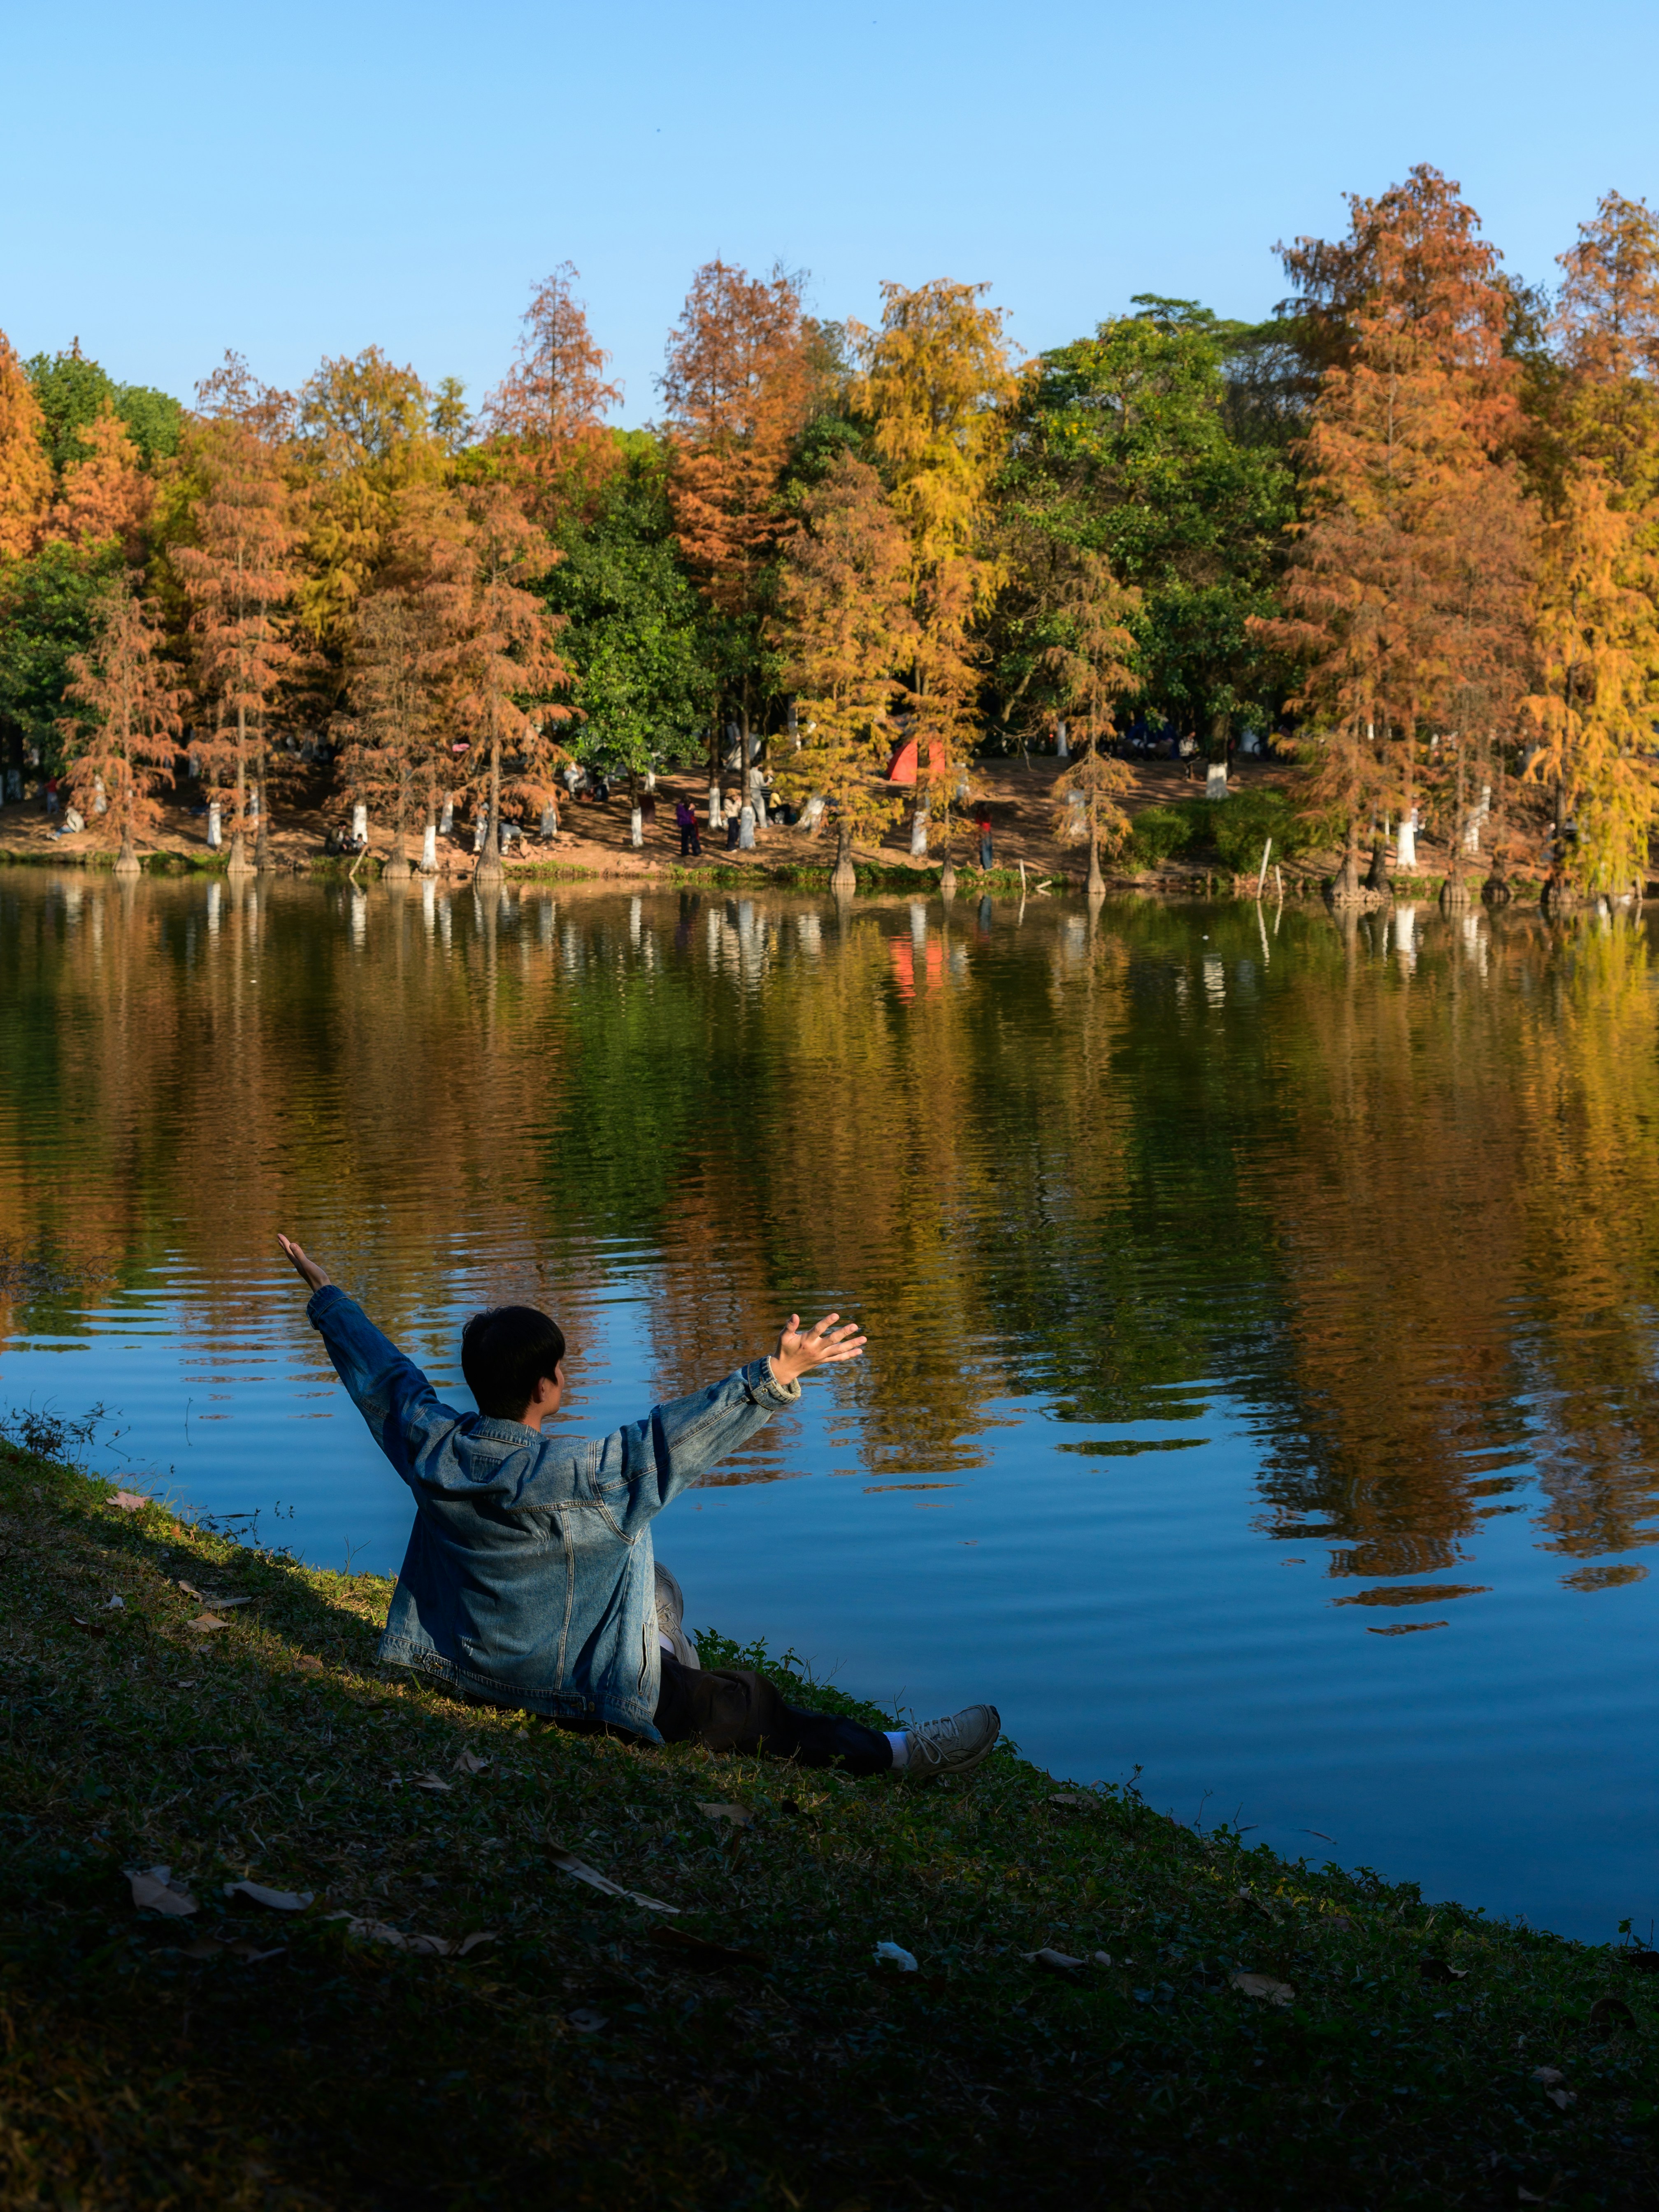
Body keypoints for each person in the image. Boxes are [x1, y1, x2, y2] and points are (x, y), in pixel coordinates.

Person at [274, 1233, 1000, 1780]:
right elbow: (677, 1436)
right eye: (560, 1368)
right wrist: (781, 1371)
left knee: (655, 1587)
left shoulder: (429, 1444)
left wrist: (329, 1298)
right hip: (576, 1694)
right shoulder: (589, 1475)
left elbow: (386, 1379)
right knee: (744, 1704)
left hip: (462, 1670)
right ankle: (904, 1754)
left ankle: (660, 1642)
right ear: (547, 1386)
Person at [675, 794, 702, 859]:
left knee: (694, 838)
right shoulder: (680, 806)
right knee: (685, 839)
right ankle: (685, 852)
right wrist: (689, 810)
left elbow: (691, 815)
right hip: (685, 824)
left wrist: (692, 810)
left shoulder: (688, 806)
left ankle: (697, 851)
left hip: (690, 823)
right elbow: (684, 816)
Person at [976, 805, 993, 871]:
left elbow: (978, 826)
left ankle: (987, 866)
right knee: (986, 850)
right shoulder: (987, 816)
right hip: (986, 833)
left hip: (984, 833)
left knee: (985, 850)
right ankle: (986, 866)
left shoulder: (982, 817)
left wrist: (977, 835)